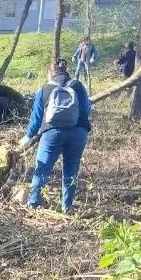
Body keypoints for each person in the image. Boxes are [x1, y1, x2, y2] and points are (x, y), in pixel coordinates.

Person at [18, 58, 92, 211]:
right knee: (71, 169)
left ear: (50, 73)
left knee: (42, 168)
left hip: (52, 133)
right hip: (78, 133)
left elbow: (36, 118)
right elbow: (86, 110)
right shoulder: (78, 86)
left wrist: (28, 136)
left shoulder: (45, 89)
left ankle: (33, 202)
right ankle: (67, 206)